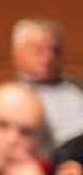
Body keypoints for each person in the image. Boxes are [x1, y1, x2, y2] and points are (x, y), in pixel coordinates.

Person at [12, 17, 83, 150]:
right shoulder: (11, 98)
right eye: (38, 50)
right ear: (17, 54)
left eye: (54, 50)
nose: (48, 57)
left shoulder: (79, 87)